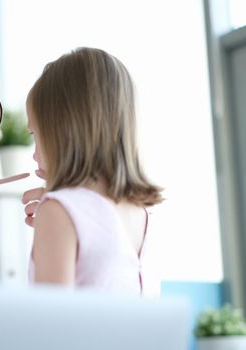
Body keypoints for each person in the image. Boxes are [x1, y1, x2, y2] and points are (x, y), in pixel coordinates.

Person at [22, 47, 163, 295]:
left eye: (35, 134)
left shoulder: (56, 211)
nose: (34, 154)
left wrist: (59, 215)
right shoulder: (143, 213)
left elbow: (51, 329)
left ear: (61, 131)